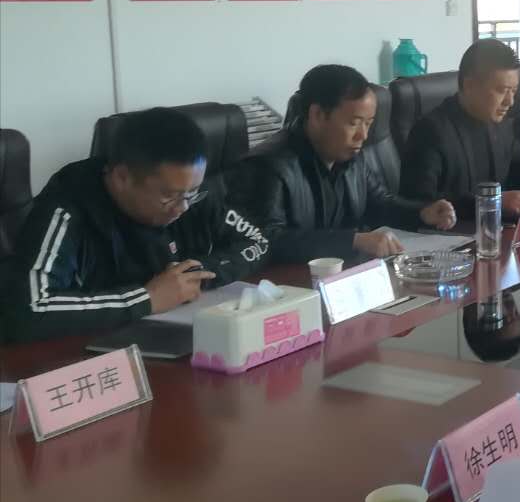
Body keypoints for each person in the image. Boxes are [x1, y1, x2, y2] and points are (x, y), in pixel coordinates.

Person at [2, 108, 270, 342]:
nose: (183, 207)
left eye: (192, 193)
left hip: (173, 340)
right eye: (169, 196)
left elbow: (258, 241)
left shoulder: (188, 192)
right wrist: (146, 299)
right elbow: (27, 309)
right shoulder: (67, 207)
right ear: (122, 177)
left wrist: (196, 274)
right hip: (88, 355)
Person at [229, 65, 455, 265]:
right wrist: (352, 241)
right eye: (354, 123)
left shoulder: (351, 158)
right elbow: (265, 241)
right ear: (317, 115)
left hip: (338, 278)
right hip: (284, 287)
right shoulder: (267, 166)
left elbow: (380, 205)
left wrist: (421, 213)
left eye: (368, 124)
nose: (363, 135)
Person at [398, 39, 520, 220]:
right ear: (469, 86)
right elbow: (421, 205)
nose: (510, 102)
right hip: (451, 234)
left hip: (497, 230)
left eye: (513, 91)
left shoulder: (501, 124)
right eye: (502, 90)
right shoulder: (431, 131)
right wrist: (492, 202)